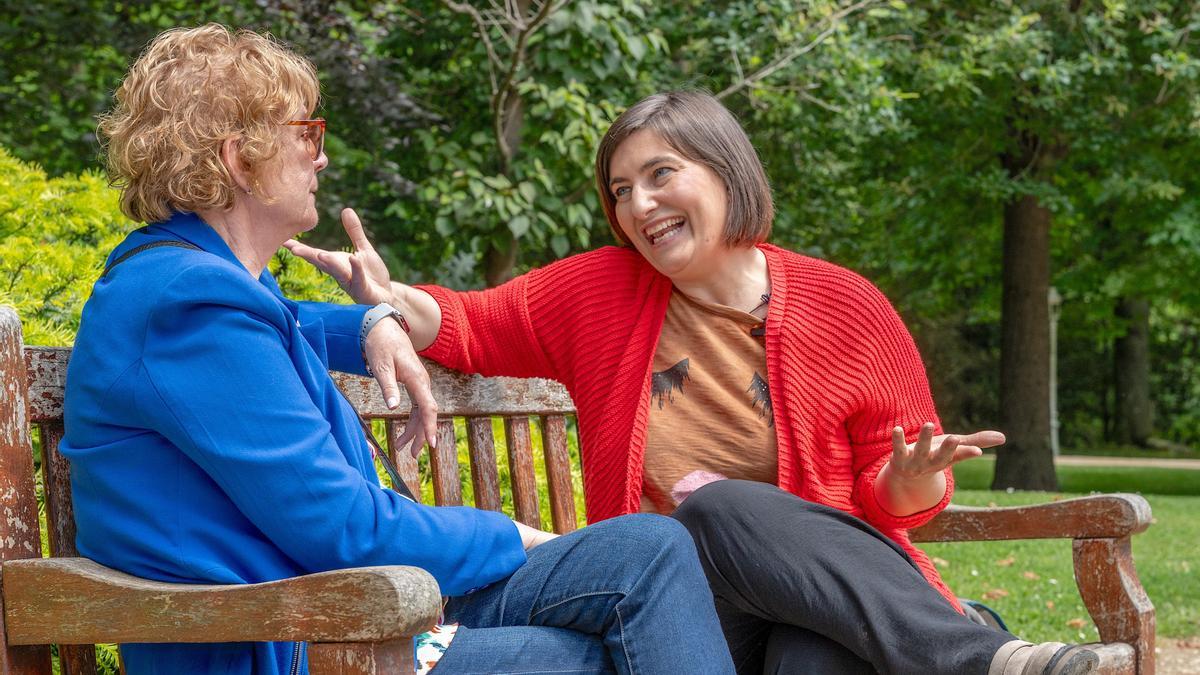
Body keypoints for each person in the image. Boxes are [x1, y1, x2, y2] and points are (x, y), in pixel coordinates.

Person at [289, 91, 1101, 675]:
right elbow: (470, 323)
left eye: (659, 175)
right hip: (677, 608)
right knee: (711, 506)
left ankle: (965, 650)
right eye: (619, 190)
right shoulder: (601, 291)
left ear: (724, 170)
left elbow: (896, 508)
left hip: (829, 605)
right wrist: (387, 303)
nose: (639, 204)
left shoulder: (847, 305)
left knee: (814, 658)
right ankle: (977, 655)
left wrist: (908, 480)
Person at [63, 26, 736, 675]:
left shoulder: (198, 285)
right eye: (307, 134)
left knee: (649, 548)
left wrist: (370, 322)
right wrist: (513, 533)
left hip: (348, 610)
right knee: (621, 627)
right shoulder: (188, 303)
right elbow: (347, 529)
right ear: (240, 159)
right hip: (296, 636)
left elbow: (282, 323)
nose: (321, 156)